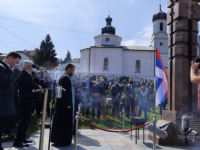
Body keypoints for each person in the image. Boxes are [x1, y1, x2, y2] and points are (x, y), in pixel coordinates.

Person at [13, 60, 42, 148]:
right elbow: (30, 84)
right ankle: (18, 141)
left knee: (27, 120)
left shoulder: (27, 74)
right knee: (23, 121)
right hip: (24, 101)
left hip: (28, 100)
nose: (32, 67)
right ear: (28, 66)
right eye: (31, 66)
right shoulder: (23, 74)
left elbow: (31, 84)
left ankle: (23, 138)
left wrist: (37, 87)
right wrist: (38, 87)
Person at [0, 52, 22, 150]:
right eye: (16, 62)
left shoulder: (6, 67)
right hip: (2, 102)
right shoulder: (1, 67)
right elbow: (7, 81)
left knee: (3, 125)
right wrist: (17, 72)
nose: (16, 65)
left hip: (6, 102)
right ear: (10, 58)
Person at [51, 64, 75, 146]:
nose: (73, 71)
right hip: (64, 105)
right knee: (64, 122)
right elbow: (66, 92)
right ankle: (62, 140)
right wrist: (68, 103)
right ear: (68, 69)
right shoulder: (65, 78)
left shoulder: (64, 76)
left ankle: (59, 139)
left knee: (61, 122)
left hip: (61, 104)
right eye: (72, 70)